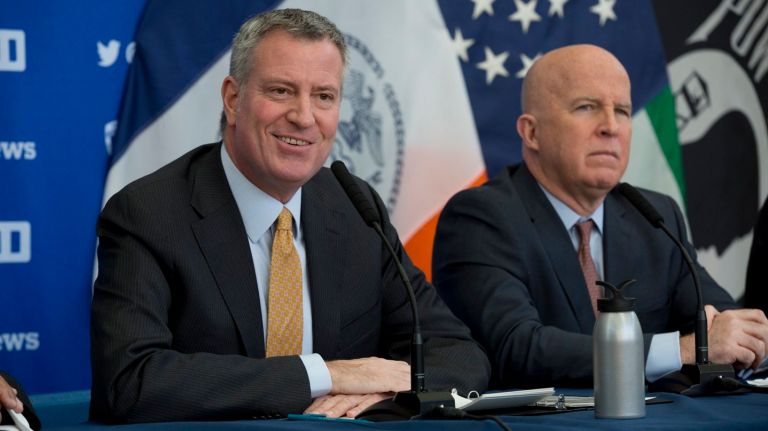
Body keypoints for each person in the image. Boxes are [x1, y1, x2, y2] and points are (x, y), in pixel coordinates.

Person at [90, 8, 489, 423]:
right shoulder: (149, 214)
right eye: (281, 91)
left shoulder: (354, 209)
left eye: (324, 96)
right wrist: (326, 374)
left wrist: (393, 386)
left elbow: (460, 355)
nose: (303, 117)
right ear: (232, 98)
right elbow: (131, 382)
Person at [432, 44, 768, 389]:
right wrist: (683, 350)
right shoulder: (480, 218)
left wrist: (742, 338)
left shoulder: (654, 217)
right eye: (587, 107)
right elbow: (517, 348)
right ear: (532, 132)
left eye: (622, 110)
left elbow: (726, 326)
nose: (611, 126)